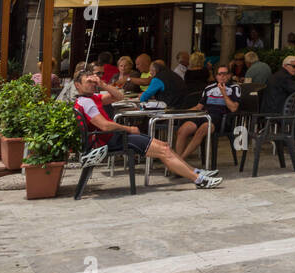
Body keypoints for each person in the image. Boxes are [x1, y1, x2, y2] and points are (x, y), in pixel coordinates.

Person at [73, 69, 221, 188]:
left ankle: (195, 172)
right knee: (164, 150)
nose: (92, 84)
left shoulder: (90, 99)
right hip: (112, 140)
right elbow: (104, 125)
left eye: (93, 81)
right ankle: (199, 179)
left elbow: (119, 97)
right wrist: (129, 129)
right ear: (77, 85)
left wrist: (103, 85)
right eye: (88, 82)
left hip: (112, 138)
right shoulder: (87, 103)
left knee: (165, 146)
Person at [175, 63, 242, 162]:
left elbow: (233, 108)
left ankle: (179, 162)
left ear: (229, 75)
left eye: (225, 73)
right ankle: (179, 163)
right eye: (219, 74)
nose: (222, 76)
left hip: (221, 118)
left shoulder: (234, 88)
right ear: (216, 76)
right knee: (183, 130)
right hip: (204, 115)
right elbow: (199, 106)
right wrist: (182, 113)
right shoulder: (209, 88)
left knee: (202, 130)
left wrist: (223, 93)